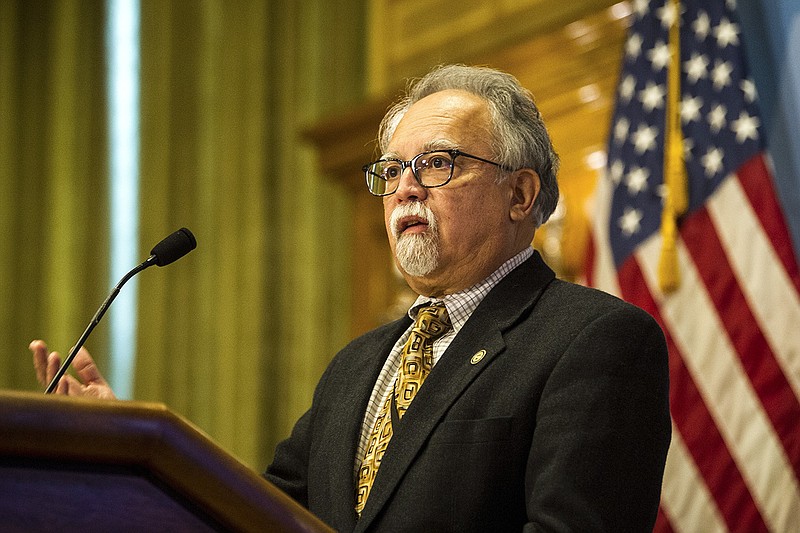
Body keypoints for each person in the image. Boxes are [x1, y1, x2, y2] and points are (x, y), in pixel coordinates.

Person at [32, 64, 671, 532]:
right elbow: (250, 519)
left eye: (438, 164)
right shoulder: (356, 368)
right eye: (392, 171)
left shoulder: (595, 341)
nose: (405, 191)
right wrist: (133, 455)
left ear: (521, 194)